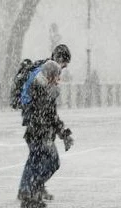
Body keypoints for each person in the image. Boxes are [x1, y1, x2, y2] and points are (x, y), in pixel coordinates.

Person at [17, 45, 73, 208]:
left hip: (37, 130)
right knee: (47, 161)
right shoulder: (42, 86)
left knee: (36, 160)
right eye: (58, 76)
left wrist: (62, 133)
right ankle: (30, 191)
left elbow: (50, 114)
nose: (59, 79)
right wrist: (51, 132)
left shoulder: (46, 85)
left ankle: (29, 191)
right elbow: (47, 114)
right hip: (37, 131)